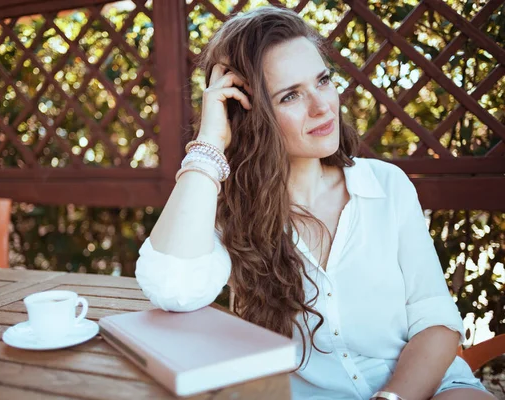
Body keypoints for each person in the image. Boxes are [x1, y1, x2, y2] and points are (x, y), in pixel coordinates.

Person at [134, 6, 494, 400]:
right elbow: (172, 287)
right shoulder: (231, 212)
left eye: (323, 81)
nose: (322, 106)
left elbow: (435, 319)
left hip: (425, 387)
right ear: (250, 113)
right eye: (291, 95)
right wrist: (209, 143)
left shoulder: (386, 185)